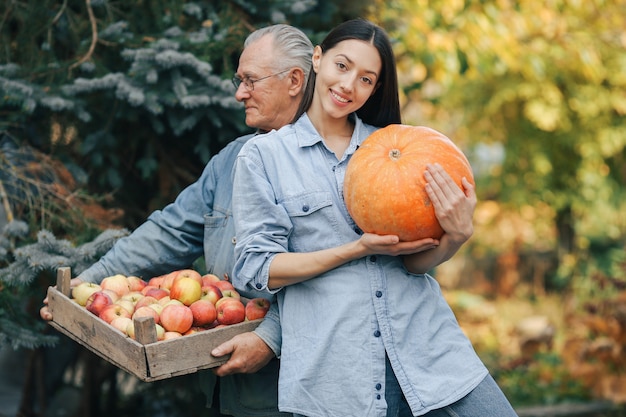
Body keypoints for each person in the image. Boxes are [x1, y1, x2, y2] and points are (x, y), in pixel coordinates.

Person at [231, 18, 518, 416]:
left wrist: (455, 237)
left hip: (430, 353)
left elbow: (413, 263)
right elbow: (254, 269)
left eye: (366, 79)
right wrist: (354, 249)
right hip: (336, 379)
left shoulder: (395, 145)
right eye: (342, 66)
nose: (349, 86)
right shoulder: (264, 157)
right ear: (317, 59)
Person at [40, 24, 313, 417]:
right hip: (230, 392)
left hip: (297, 395)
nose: (239, 93)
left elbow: (340, 278)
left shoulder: (327, 168)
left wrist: (272, 338)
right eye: (238, 80)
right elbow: (169, 231)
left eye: (250, 80)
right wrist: (86, 284)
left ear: (294, 80)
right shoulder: (232, 161)